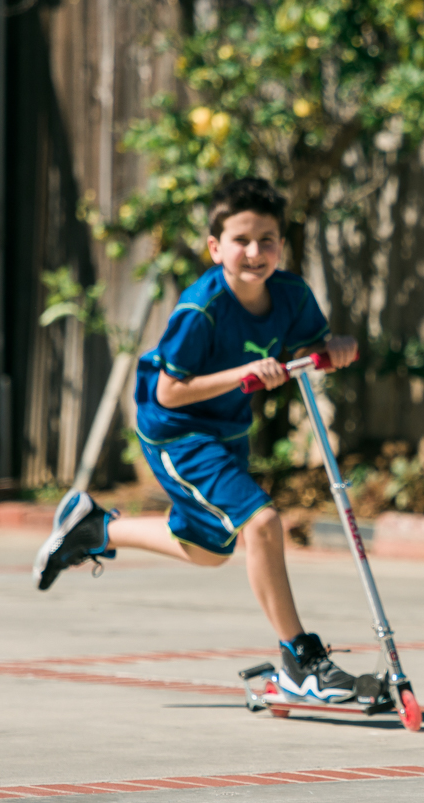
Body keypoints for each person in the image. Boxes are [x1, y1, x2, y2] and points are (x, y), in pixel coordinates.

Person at [33, 176, 363, 703]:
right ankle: (299, 658)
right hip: (177, 432)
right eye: (241, 240)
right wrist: (244, 373)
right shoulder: (201, 309)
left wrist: (336, 347)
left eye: (268, 240)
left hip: (227, 429)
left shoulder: (291, 295)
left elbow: (316, 345)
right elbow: (168, 392)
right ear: (216, 248)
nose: (255, 252)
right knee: (261, 522)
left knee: (211, 550)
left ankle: (95, 529)